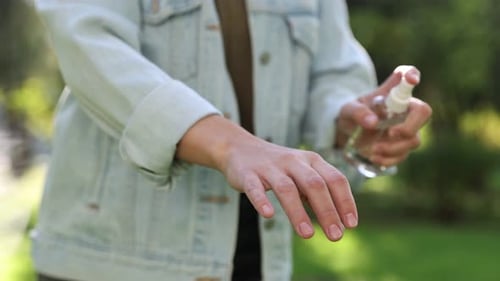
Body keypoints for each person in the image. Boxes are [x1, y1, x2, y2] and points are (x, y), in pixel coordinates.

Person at [32, 0, 432, 280]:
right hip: (112, 260)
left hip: (256, 259)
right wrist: (229, 143)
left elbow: (332, 70)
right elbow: (88, 46)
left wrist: (348, 119)